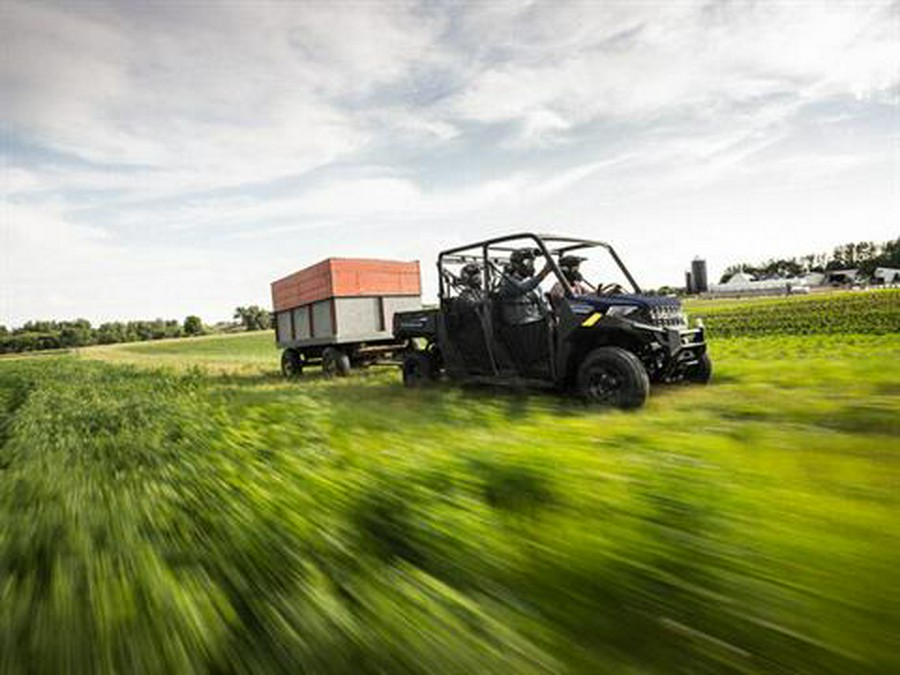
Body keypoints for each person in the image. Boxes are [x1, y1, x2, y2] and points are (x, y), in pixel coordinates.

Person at [497, 248, 553, 376]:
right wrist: (544, 272)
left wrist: (551, 315)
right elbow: (522, 288)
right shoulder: (508, 282)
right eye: (529, 262)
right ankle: (538, 369)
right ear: (517, 264)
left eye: (532, 262)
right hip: (520, 327)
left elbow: (542, 302)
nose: (531, 266)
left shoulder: (533, 283)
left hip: (535, 323)